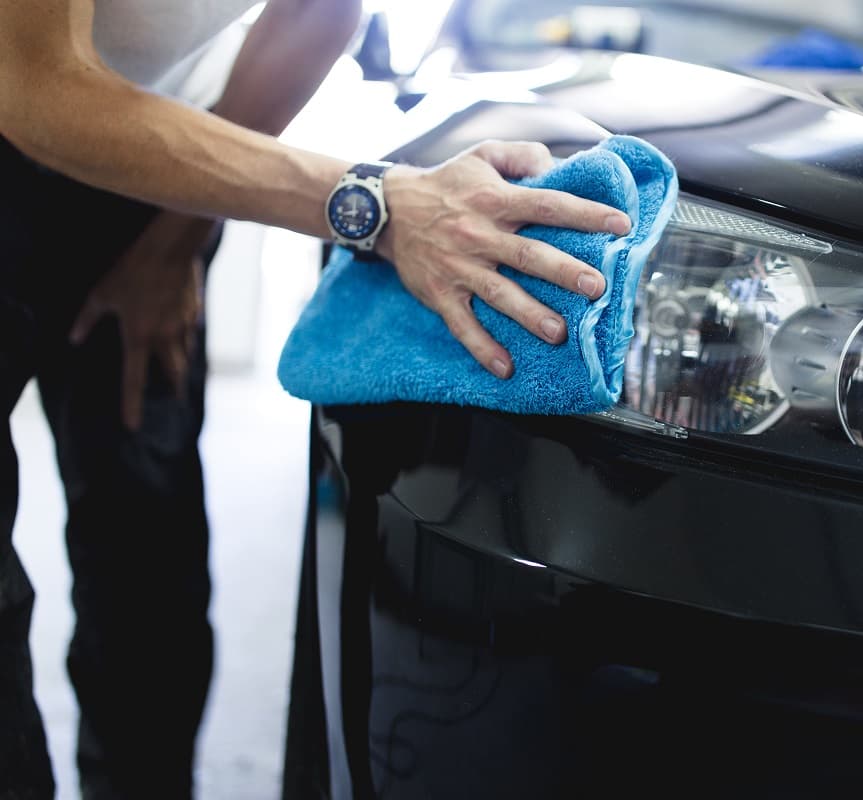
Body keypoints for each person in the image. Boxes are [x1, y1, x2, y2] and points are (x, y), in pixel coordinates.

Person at [0, 1, 630, 797]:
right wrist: (381, 205)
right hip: (24, 106)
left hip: (155, 156)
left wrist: (171, 246)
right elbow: (40, 87)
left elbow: (320, 12)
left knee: (147, 560)